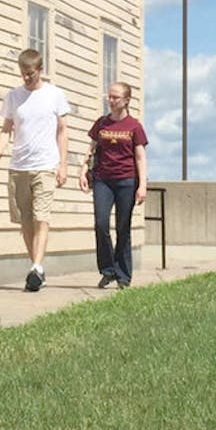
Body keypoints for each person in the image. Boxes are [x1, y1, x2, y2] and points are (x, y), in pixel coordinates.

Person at [0, 48, 70, 291]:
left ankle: (36, 266)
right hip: (19, 166)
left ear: (40, 70)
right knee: (25, 220)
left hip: (45, 165)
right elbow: (6, 128)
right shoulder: (13, 96)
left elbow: (62, 130)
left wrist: (63, 163)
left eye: (31, 74)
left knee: (41, 217)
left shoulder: (54, 95)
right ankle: (37, 268)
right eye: (23, 74)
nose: (27, 78)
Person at [82, 82, 148, 289]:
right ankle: (108, 269)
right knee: (101, 224)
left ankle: (123, 275)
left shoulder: (134, 126)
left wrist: (142, 185)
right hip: (103, 179)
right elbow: (90, 150)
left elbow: (140, 156)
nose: (111, 101)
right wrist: (82, 170)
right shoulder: (101, 124)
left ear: (126, 101)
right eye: (109, 97)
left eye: (115, 98)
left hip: (126, 180)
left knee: (123, 227)